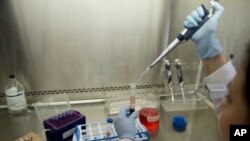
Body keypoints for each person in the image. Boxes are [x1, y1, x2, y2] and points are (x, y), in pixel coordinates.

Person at [114, 1, 250, 141]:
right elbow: (237, 128)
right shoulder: (241, 132)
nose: (220, 104)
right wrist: (208, 45)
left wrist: (126, 138)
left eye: (229, 99)